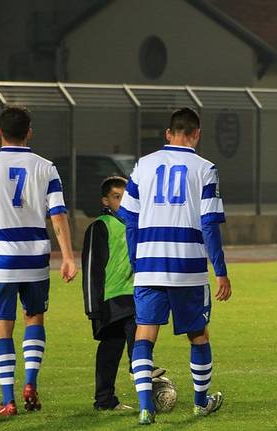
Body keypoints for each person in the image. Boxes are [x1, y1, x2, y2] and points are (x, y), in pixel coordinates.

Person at [119, 107, 232, 425]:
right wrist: (220, 270)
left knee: (145, 333)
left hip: (149, 263)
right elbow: (209, 223)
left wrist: (135, 258)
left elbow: (128, 218)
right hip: (189, 266)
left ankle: (144, 407)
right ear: (197, 134)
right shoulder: (205, 168)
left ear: (169, 134)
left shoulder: (144, 164)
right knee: (198, 334)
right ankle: (200, 403)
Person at [0, 106, 77, 416]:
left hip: (0, 255)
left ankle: (8, 399)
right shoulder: (46, 167)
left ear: (0, 132)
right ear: (29, 131)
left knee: (2, 325)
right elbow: (58, 214)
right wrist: (68, 256)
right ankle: (30, 382)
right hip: (36, 255)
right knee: (34, 317)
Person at [81, 176, 165, 411]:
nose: (123, 201)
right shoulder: (101, 225)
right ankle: (136, 364)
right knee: (132, 324)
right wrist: (92, 306)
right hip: (110, 295)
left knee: (111, 346)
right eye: (117, 197)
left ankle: (104, 399)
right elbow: (91, 267)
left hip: (134, 291)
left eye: (126, 197)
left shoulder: (137, 224)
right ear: (106, 201)